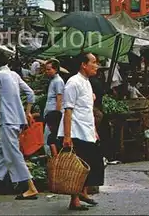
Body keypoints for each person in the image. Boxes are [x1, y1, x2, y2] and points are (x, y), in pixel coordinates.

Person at [0, 48, 39, 200]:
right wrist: (26, 112)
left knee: (14, 154)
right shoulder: (14, 75)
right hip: (17, 120)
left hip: (8, 120)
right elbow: (31, 94)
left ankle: (31, 188)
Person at [58, 53, 104, 211]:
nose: (96, 65)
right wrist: (67, 135)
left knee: (91, 163)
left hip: (87, 130)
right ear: (84, 65)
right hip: (76, 131)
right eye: (93, 62)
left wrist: (94, 130)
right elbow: (68, 110)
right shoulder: (73, 82)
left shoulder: (86, 82)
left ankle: (83, 192)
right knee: (77, 167)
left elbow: (87, 110)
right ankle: (75, 200)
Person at [43, 59, 65, 155]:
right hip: (50, 114)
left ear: (55, 69)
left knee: (48, 139)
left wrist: (57, 115)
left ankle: (51, 159)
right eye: (46, 69)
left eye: (49, 69)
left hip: (53, 116)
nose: (47, 72)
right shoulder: (53, 80)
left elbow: (59, 99)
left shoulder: (58, 81)